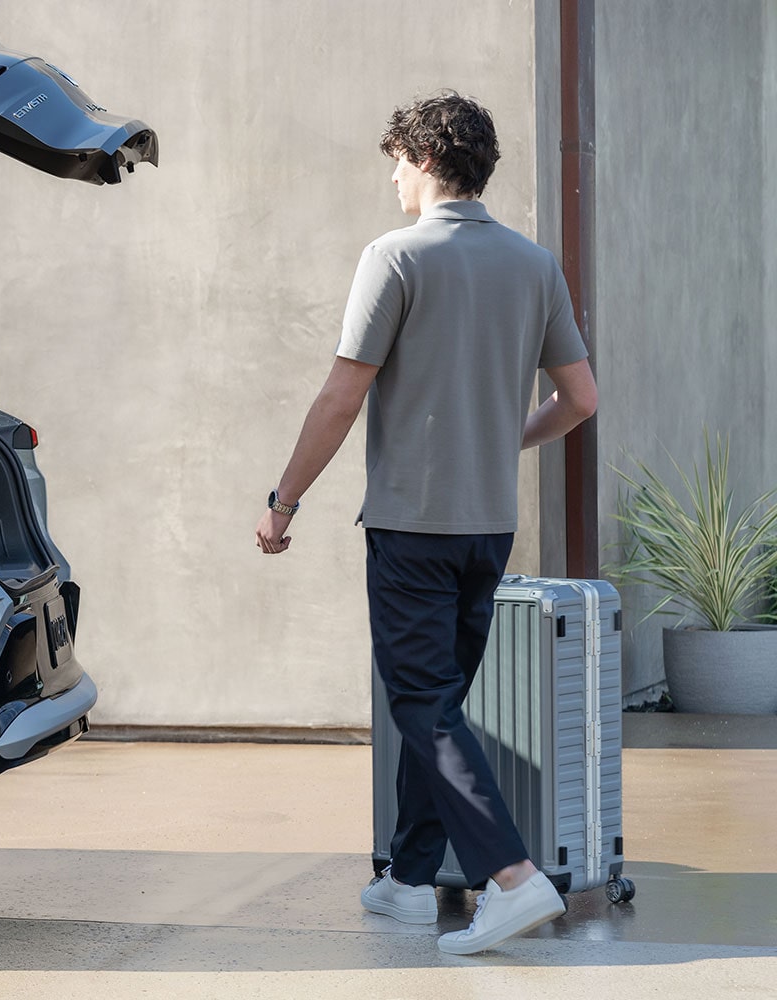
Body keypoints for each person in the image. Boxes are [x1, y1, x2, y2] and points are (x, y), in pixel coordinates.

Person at [252, 92, 600, 955]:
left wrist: (283, 499)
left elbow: (342, 395)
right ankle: (409, 882)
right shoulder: (535, 264)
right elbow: (580, 399)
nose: (394, 180)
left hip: (411, 527)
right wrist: (501, 439)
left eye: (397, 163)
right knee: (434, 703)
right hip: (487, 527)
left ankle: (512, 878)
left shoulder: (395, 257)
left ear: (424, 159)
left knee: (422, 704)